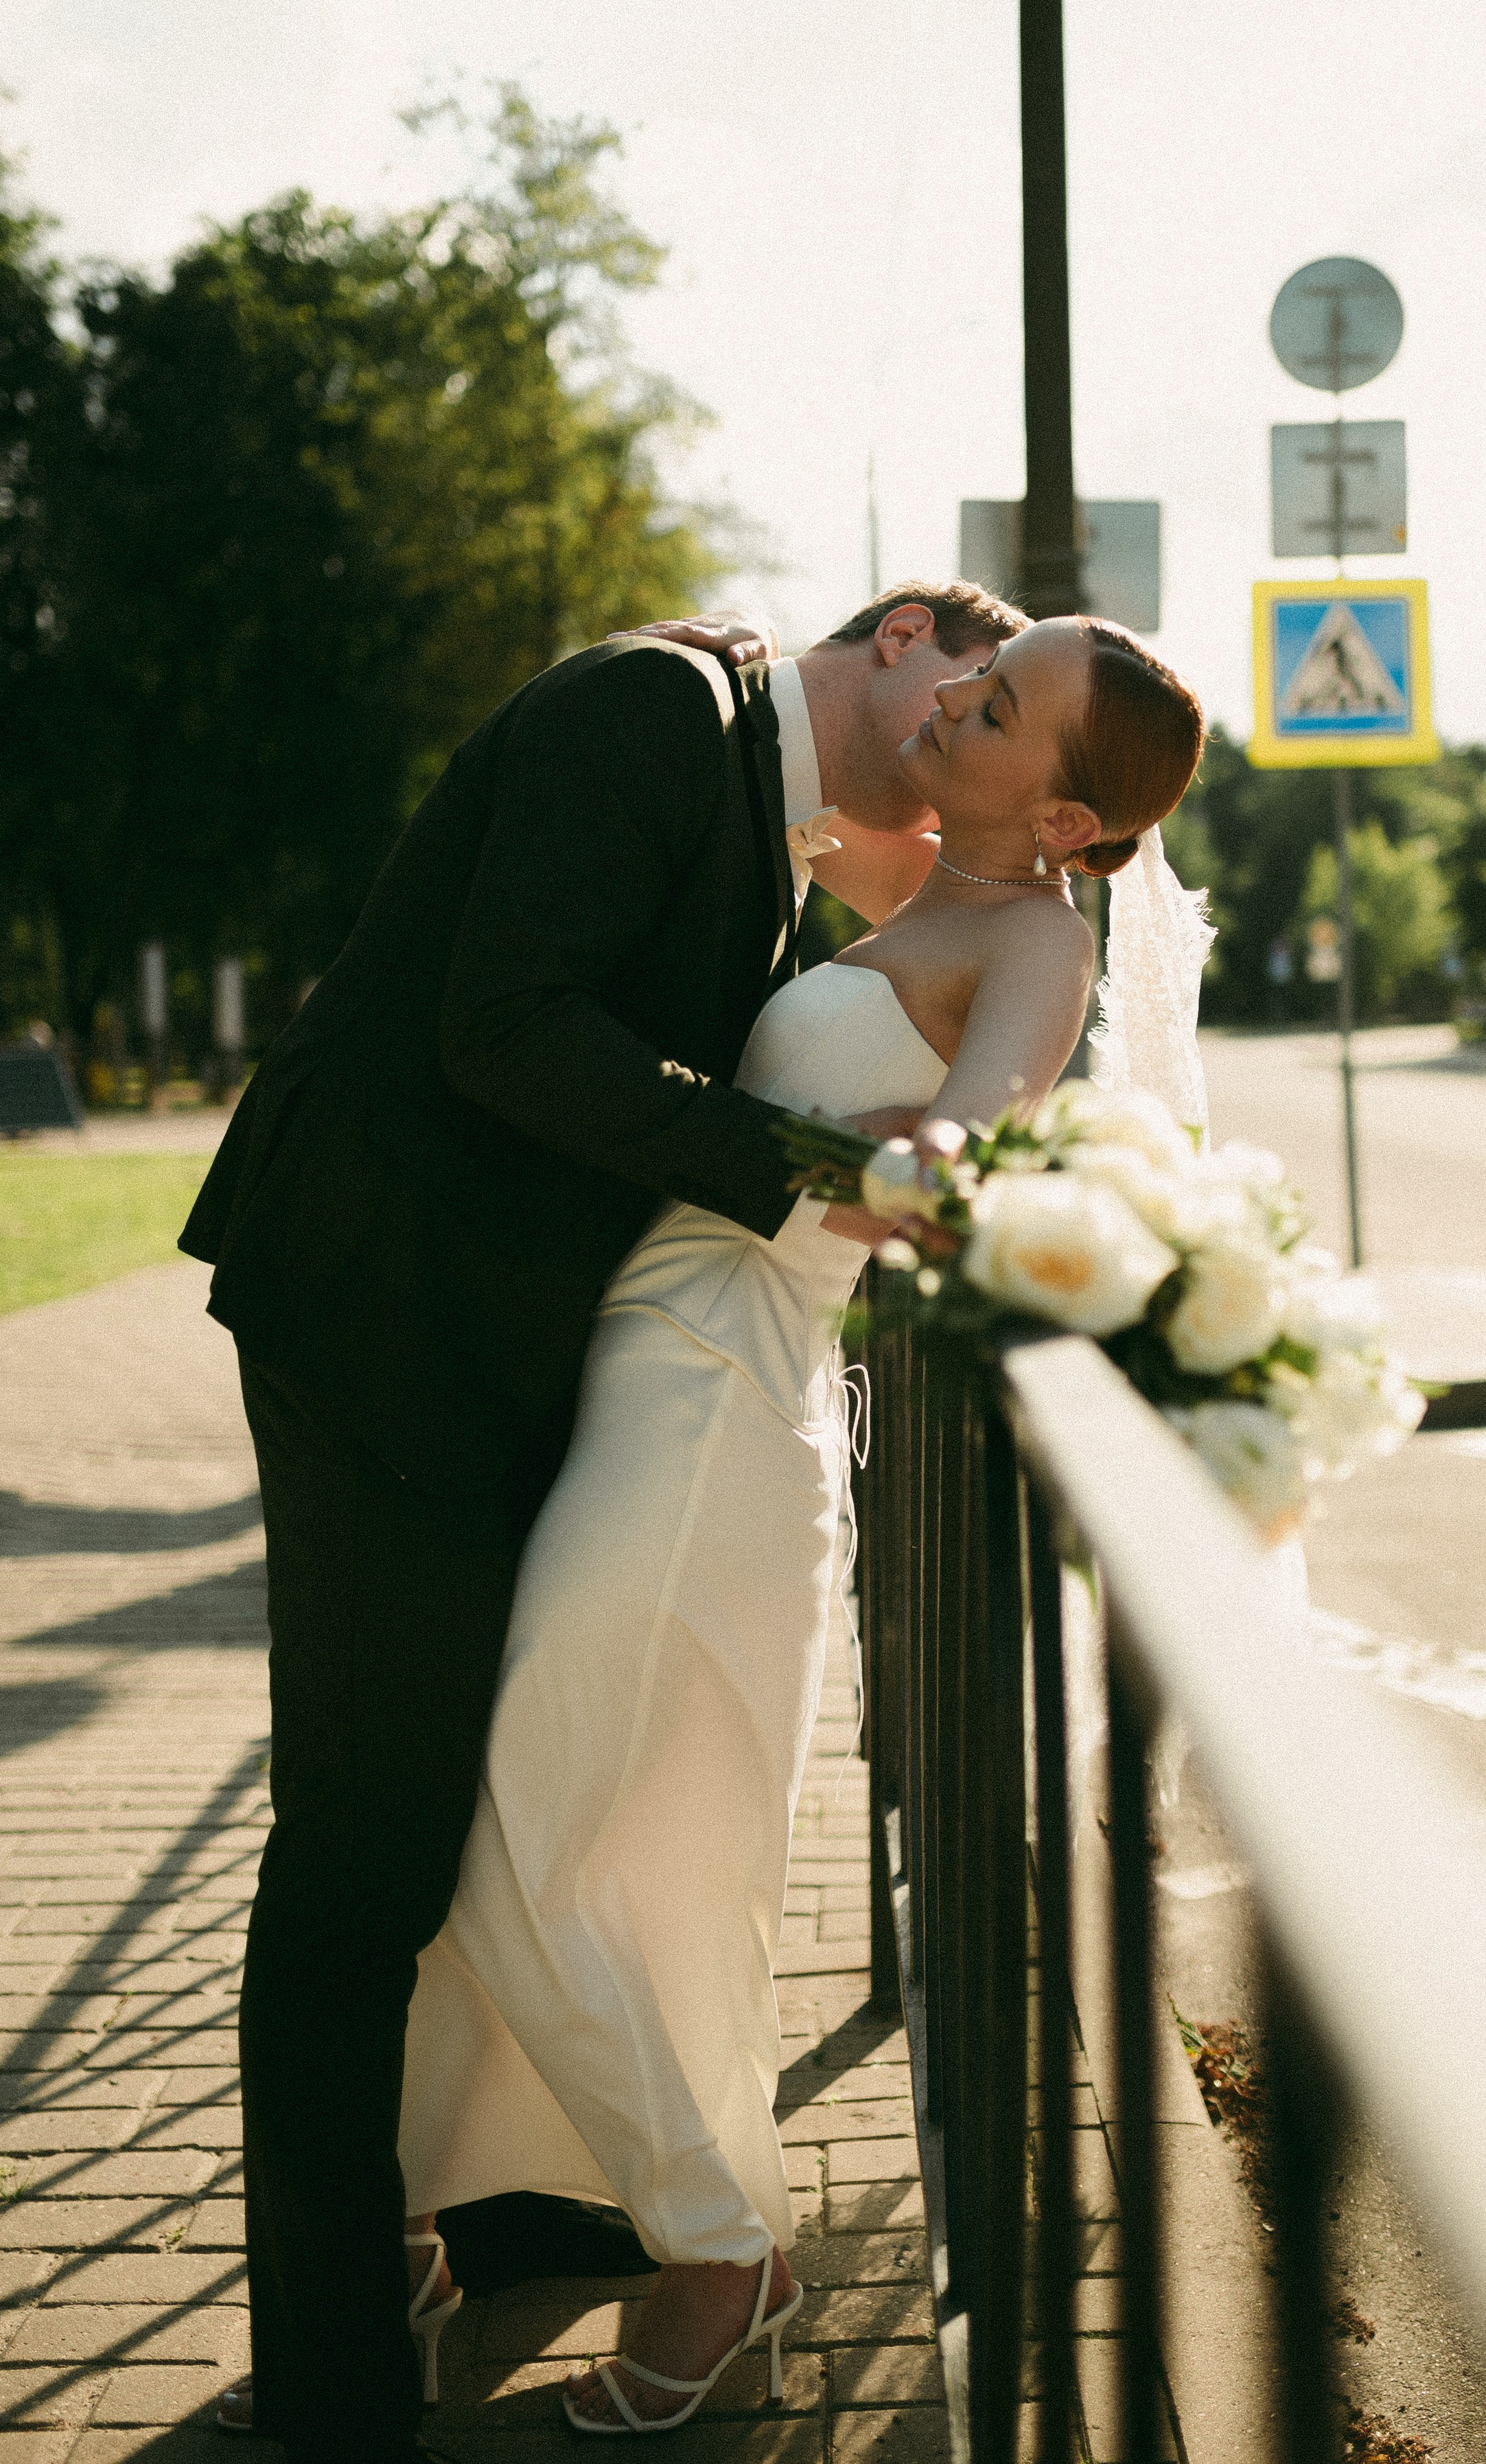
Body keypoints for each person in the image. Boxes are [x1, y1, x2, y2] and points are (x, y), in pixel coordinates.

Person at [180, 582, 1032, 2464]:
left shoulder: (766, 813)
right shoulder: (654, 710)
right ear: (896, 634)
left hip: (501, 1357)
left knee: (485, 1797)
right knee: (368, 1849)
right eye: (981, 682)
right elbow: (506, 1027)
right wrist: (820, 1172)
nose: (988, 724)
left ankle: (505, 2224)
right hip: (379, 1318)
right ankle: (332, 2367)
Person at [391, 611, 1207, 2434]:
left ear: (1070, 818)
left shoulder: (1034, 944)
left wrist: (897, 1160)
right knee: (582, 1817)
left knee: (519, 1806)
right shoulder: (903, 889)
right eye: (971, 683)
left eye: (998, 712)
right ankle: (429, 2205)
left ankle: (722, 2244)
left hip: (713, 1393)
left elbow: (952, 1169)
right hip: (639, 1354)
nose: (952, 712)